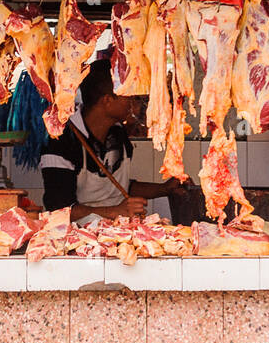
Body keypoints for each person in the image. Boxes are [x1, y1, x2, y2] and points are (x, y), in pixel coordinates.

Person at [39, 58, 182, 222]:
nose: (134, 103)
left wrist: (165, 189)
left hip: (116, 233)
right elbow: (58, 210)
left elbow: (117, 187)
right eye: (129, 96)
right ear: (107, 100)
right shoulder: (61, 142)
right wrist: (114, 211)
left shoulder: (118, 134)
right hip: (78, 238)